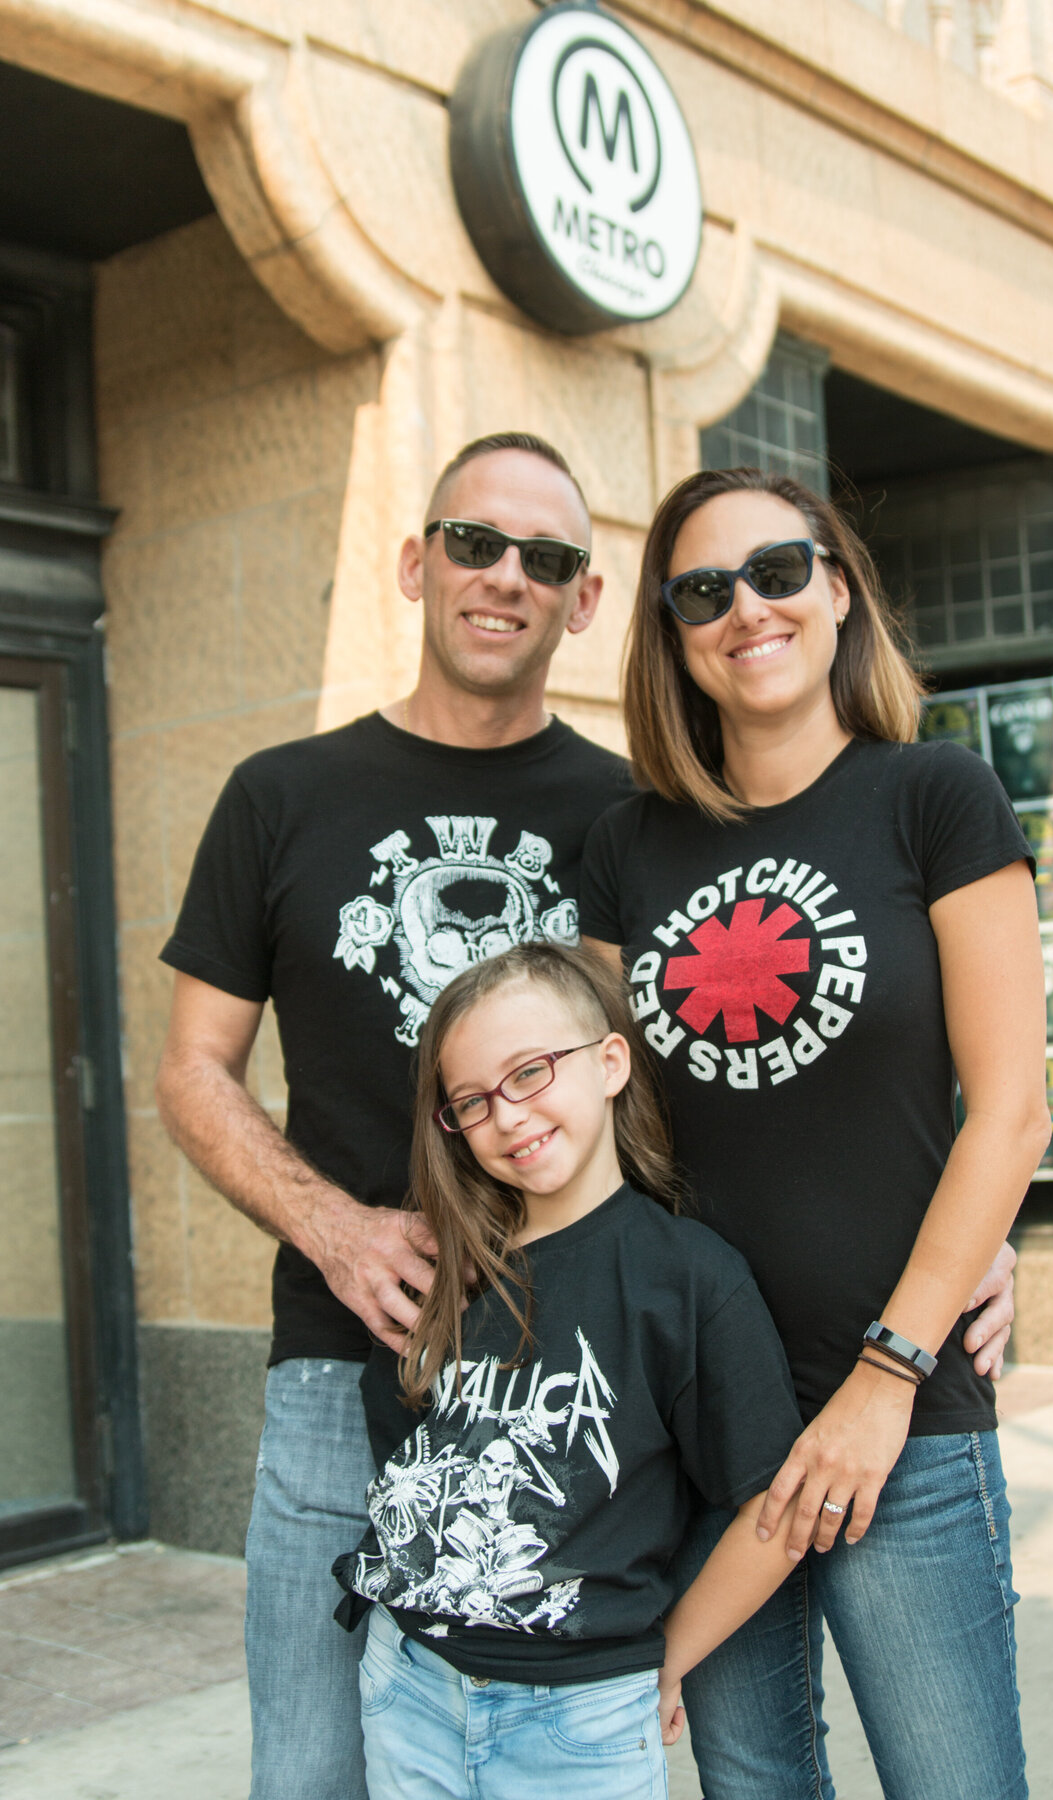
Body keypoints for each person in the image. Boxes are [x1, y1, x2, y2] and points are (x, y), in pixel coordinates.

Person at [154, 433, 634, 1800]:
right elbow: (193, 1068)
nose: (506, 578)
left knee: (540, 1767)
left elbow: (682, 1080)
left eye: (546, 559)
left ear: (582, 601)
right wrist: (336, 1230)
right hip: (335, 1359)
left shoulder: (621, 814)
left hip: (567, 1365)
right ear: (416, 562)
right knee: (309, 1770)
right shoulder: (280, 795)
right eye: (475, 543)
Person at [580, 466, 1051, 1800]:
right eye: (704, 591)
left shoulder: (936, 797)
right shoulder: (626, 848)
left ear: (837, 590)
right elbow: (607, 1137)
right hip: (699, 1420)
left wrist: (891, 1370)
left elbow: (1009, 1114)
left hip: (901, 1419)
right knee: (753, 1785)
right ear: (673, 633)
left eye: (780, 571)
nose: (749, 609)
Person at [331, 940, 807, 1800]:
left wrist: (669, 1661)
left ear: (611, 1061)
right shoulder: (443, 1276)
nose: (506, 1116)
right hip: (409, 1686)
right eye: (470, 1101)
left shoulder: (687, 1280)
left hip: (581, 1716)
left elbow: (775, 1506)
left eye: (531, 1073)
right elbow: (404, 1466)